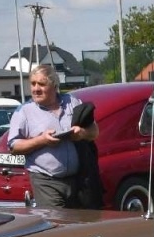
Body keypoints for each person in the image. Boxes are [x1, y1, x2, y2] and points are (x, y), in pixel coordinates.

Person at [6, 63, 97, 209]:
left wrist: (81, 133)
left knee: (77, 222)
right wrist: (42, 140)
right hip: (45, 181)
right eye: (33, 84)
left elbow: (95, 131)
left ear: (54, 86)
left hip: (78, 181)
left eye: (41, 84)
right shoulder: (24, 111)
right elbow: (13, 147)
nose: (36, 89)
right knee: (56, 220)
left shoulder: (72, 102)